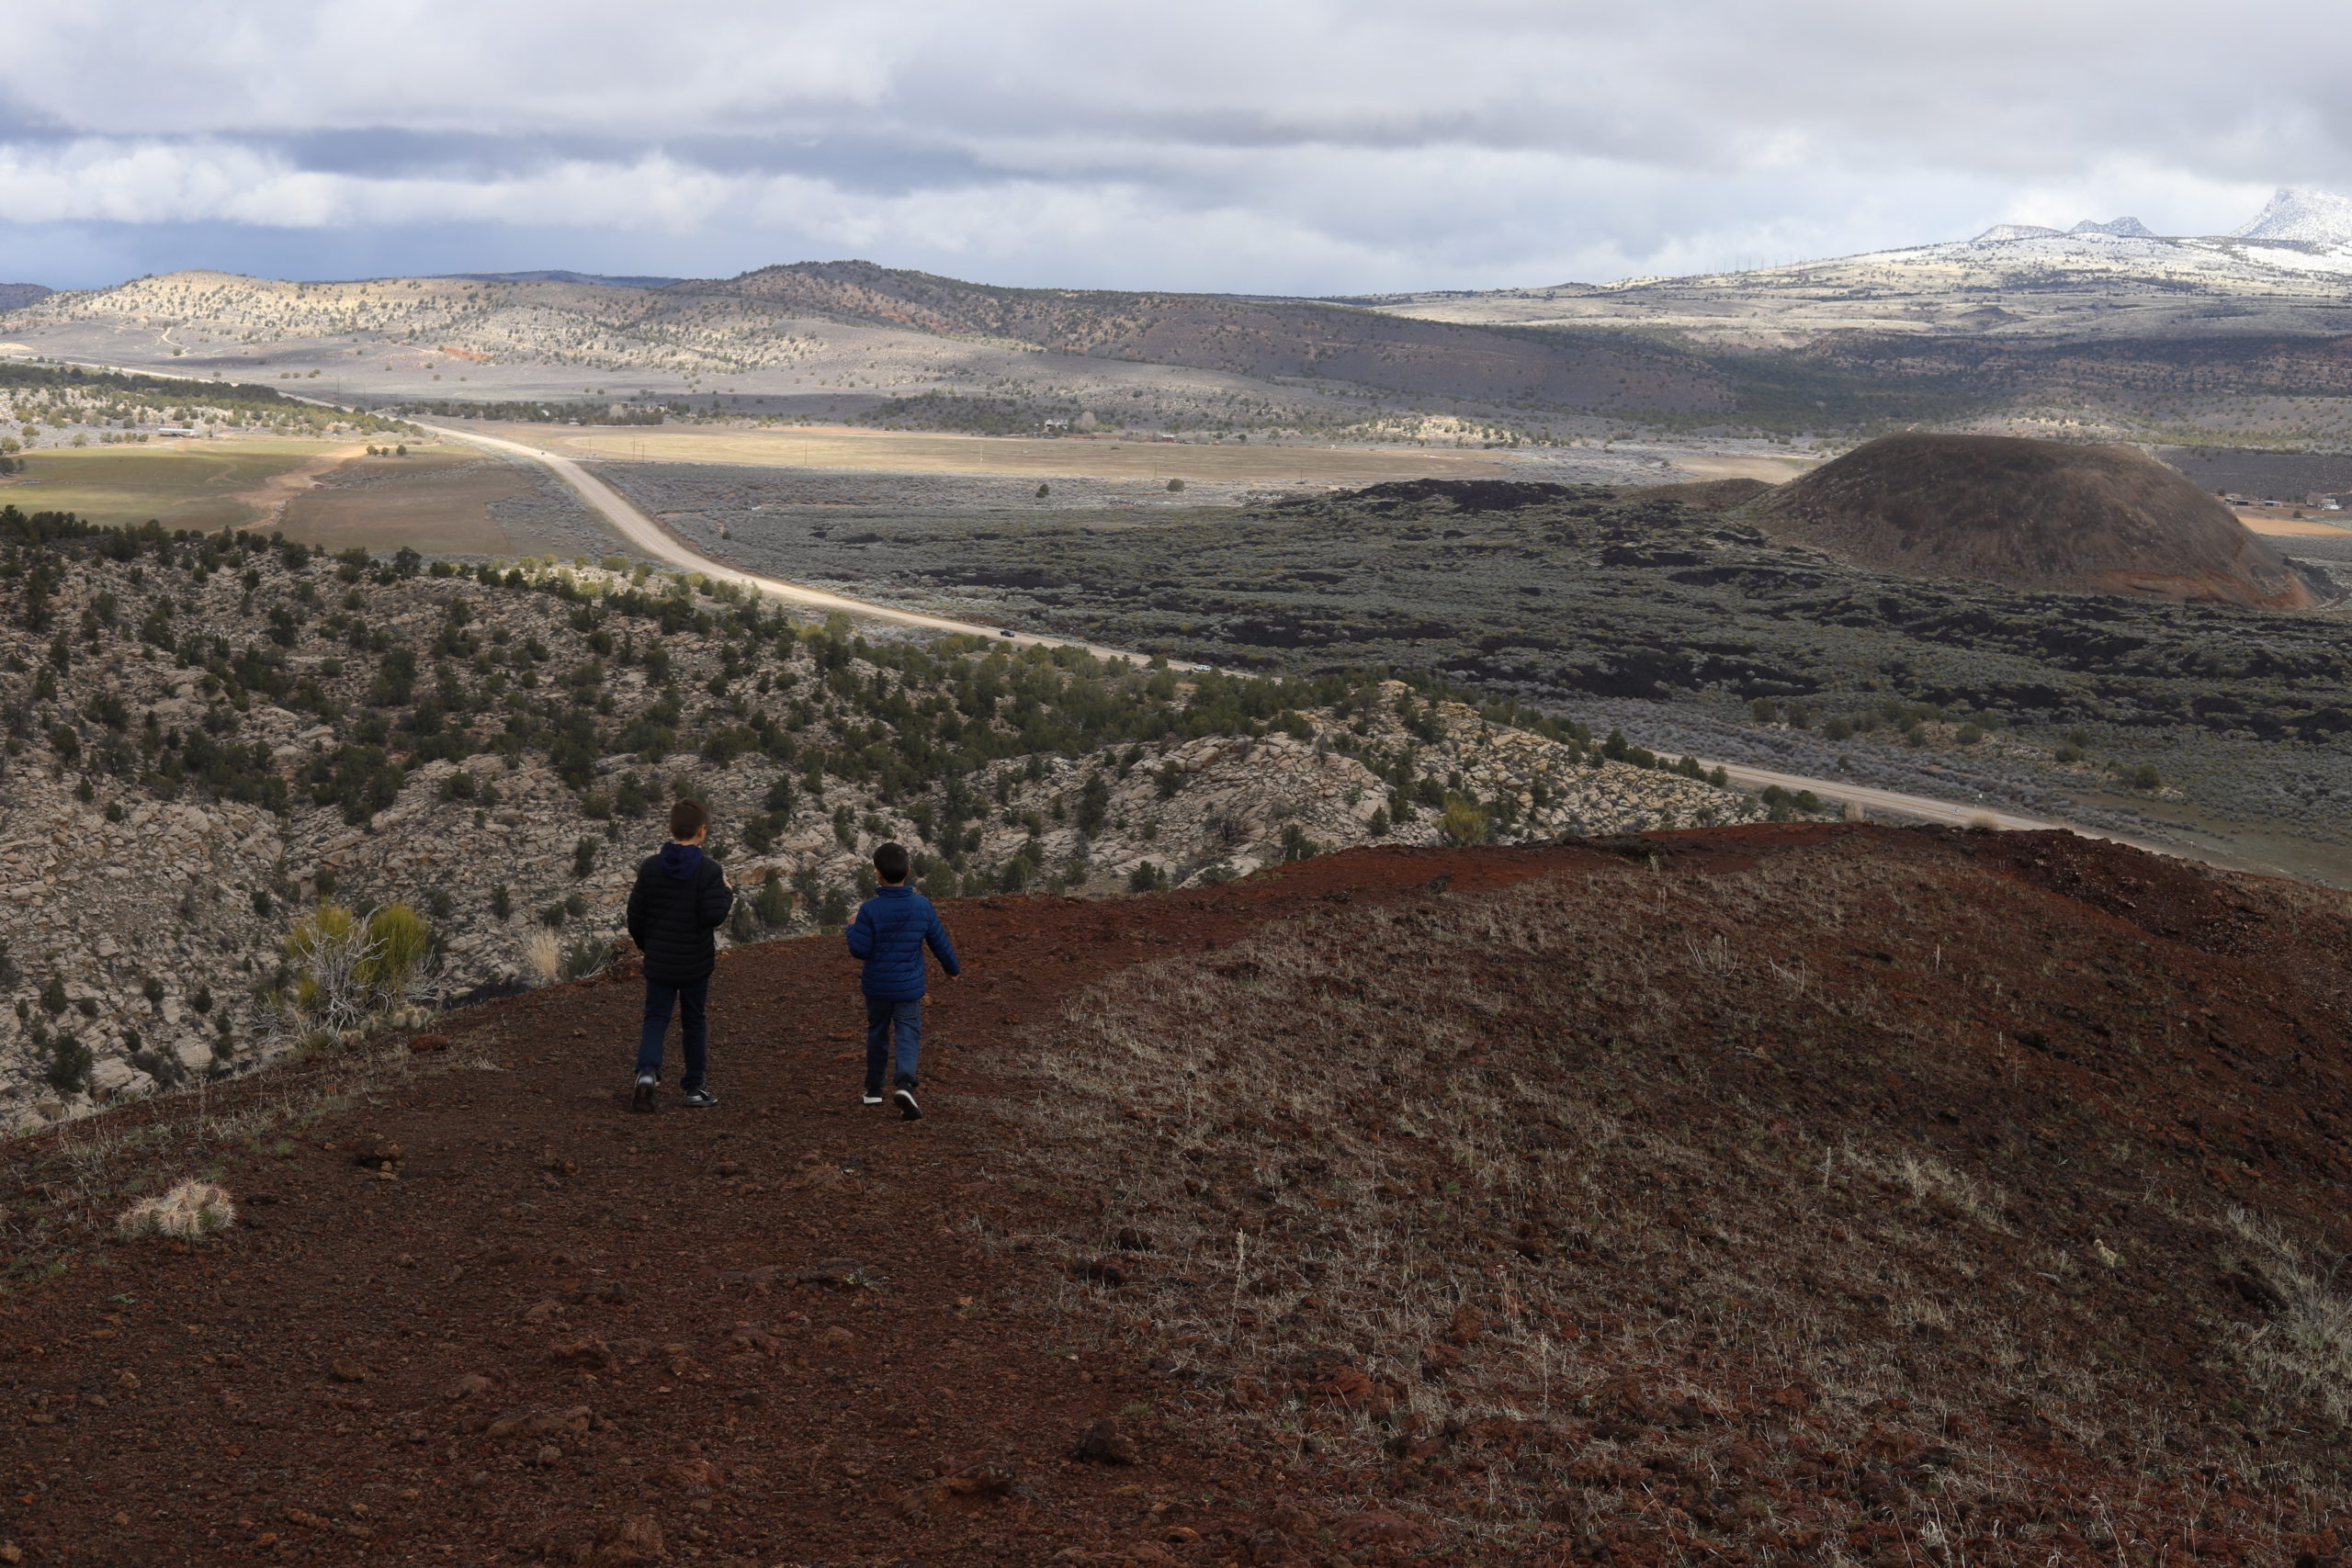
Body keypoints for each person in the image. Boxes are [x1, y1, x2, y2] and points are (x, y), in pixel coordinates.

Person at [625, 797, 734, 1112]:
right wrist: (727, 892)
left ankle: (647, 1074)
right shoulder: (710, 870)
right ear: (703, 830)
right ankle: (694, 1088)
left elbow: (635, 916)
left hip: (659, 959)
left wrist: (649, 946)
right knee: (694, 1021)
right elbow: (713, 915)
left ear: (670, 828)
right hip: (695, 962)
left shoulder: (650, 867)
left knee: (656, 1018)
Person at [844, 841, 959, 1120]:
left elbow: (860, 950)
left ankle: (873, 1091)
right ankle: (905, 1084)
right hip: (908, 987)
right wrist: (951, 968)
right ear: (909, 870)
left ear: (877, 874)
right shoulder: (922, 905)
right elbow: (938, 941)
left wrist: (852, 926)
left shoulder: (869, 910)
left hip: (877, 987)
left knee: (878, 1034)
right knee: (908, 1033)